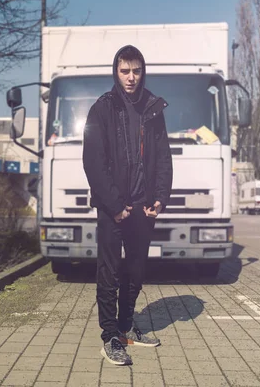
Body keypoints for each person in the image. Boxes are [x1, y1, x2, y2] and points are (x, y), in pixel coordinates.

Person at [82, 45, 173, 366]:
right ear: (116, 72)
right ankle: (109, 337)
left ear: (142, 71)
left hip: (143, 207)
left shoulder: (153, 108)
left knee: (135, 271)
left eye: (136, 71)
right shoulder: (102, 109)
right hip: (113, 209)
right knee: (108, 272)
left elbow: (163, 158)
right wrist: (115, 205)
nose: (131, 77)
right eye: (125, 71)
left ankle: (125, 327)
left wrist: (160, 198)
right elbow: (93, 162)